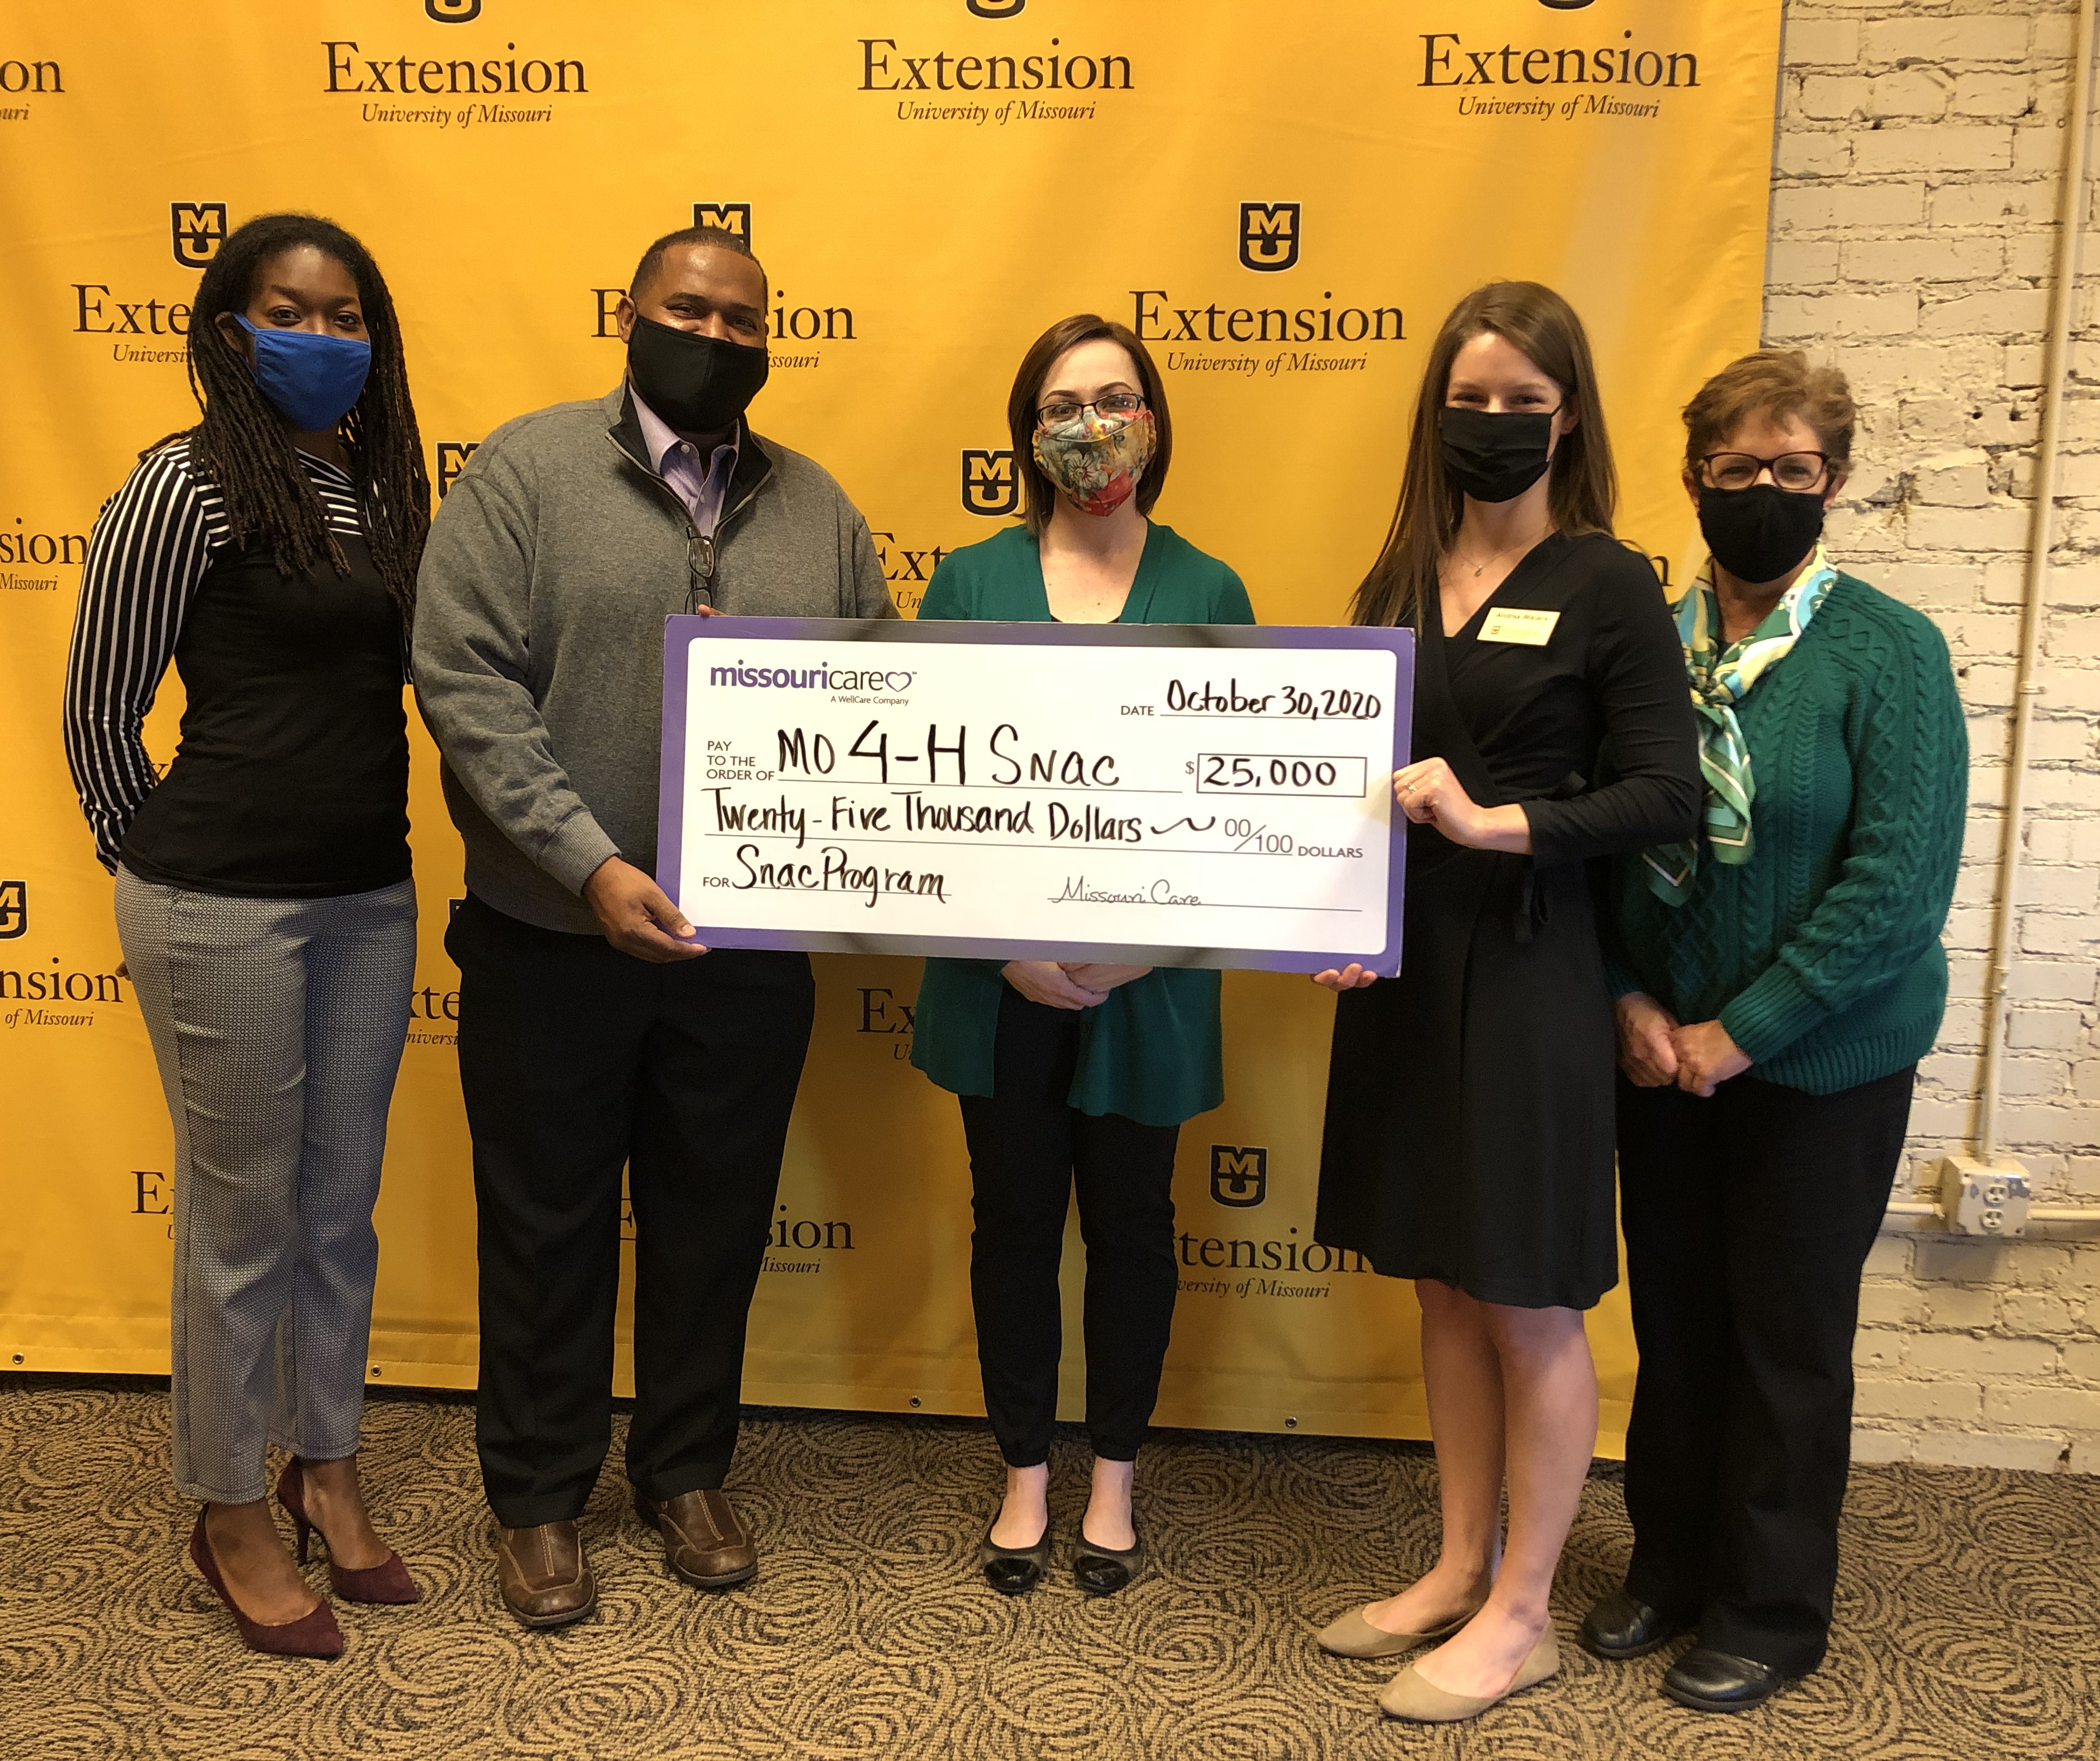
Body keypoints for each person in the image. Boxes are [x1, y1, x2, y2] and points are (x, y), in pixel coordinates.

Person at [412, 225, 893, 1629]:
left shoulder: (818, 507)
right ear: (631, 316)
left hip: (746, 956)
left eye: (746, 320)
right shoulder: (526, 473)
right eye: (691, 310)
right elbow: (466, 685)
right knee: (546, 1226)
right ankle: (541, 1498)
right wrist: (589, 866)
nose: (719, 337)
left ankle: (684, 1469)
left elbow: (880, 700)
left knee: (713, 1226)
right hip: (550, 940)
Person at [1306, 282, 1700, 1723]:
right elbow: (1344, 797)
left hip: (1536, 969)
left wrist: (1498, 828)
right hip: (1407, 973)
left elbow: (1665, 792)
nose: (1492, 425)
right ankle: (1459, 1561)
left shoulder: (1608, 581)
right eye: (1469, 402)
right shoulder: (1399, 579)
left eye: (1520, 404)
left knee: (1527, 1295)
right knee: (1442, 1279)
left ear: (1568, 416)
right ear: (1437, 414)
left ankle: (1525, 1610)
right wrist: (1336, 920)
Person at [62, 213, 431, 1659]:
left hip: (368, 895)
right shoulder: (186, 481)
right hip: (218, 903)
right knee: (242, 1224)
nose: (324, 339)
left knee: (340, 1207)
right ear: (230, 328)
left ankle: (321, 1463)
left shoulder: (381, 487)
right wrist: (151, 855)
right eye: (292, 311)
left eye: (349, 318)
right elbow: (102, 705)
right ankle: (226, 1504)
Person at [1580, 352, 1967, 1712]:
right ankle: (1669, 1568)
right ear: (1692, 478)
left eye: (1791, 471)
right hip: (1656, 1055)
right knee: (1676, 1325)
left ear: (1836, 484)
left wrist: (1740, 1032)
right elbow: (1600, 847)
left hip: (1819, 1064)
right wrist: (1633, 1003)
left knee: (1786, 1339)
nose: (1762, 492)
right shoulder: (1645, 645)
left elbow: (1899, 882)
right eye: (1736, 469)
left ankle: (1771, 1605)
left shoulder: (1891, 651)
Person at [909, 315, 1253, 1599]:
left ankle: (1113, 1474)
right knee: (1010, 1223)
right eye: (1062, 403)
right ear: (1027, 432)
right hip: (992, 985)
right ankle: (1024, 1474)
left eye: (1116, 399)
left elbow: (1236, 806)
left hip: (1145, 988)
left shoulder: (1209, 590)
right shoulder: (968, 582)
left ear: (1156, 421)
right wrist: (1004, 948)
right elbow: (922, 792)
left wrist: (1130, 949)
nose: (1091, 426)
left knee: (1131, 1225)